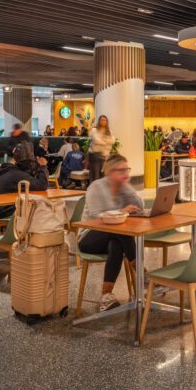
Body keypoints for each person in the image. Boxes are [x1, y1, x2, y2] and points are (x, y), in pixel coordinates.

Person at [77, 154, 145, 312]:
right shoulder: (96, 187)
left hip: (111, 236)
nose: (126, 174)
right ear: (109, 171)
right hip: (90, 236)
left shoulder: (123, 187)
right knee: (119, 230)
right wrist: (121, 211)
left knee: (116, 242)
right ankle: (140, 270)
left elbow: (139, 206)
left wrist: (126, 188)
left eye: (127, 170)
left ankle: (106, 296)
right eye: (121, 170)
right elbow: (95, 217)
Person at [0, 142, 48, 218]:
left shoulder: (7, 171)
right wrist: (43, 166)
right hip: (2, 212)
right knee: (37, 206)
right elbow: (42, 185)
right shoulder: (16, 174)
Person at [87, 115, 114, 182]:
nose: (103, 121)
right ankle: (93, 191)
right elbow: (96, 141)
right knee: (95, 177)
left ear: (107, 122)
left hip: (104, 156)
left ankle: (101, 191)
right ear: (99, 121)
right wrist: (107, 141)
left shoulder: (109, 131)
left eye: (104, 120)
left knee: (103, 176)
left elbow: (113, 141)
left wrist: (102, 140)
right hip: (95, 155)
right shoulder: (94, 130)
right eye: (101, 120)